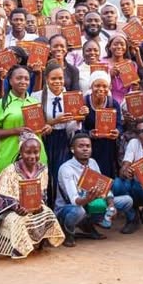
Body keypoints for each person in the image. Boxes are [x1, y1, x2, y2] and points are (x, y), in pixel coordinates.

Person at [0, 133, 66, 258]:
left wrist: (38, 206)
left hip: (32, 207)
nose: (32, 156)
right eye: (28, 152)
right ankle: (16, 248)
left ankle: (39, 242)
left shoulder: (43, 169)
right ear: (21, 152)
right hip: (9, 209)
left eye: (36, 152)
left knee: (48, 213)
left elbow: (42, 194)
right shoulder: (10, 170)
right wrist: (18, 207)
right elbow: (2, 197)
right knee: (18, 219)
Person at [55, 133, 136, 244]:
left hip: (91, 203)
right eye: (81, 146)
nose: (85, 149)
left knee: (127, 201)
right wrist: (88, 198)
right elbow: (74, 201)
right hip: (69, 207)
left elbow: (104, 188)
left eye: (88, 146)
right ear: (72, 149)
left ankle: (87, 224)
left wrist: (111, 205)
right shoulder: (66, 168)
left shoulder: (92, 163)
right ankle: (69, 232)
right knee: (78, 211)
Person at [32, 62, 86, 206]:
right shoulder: (37, 97)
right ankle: (45, 205)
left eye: (60, 78)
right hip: (44, 139)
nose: (57, 82)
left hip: (63, 140)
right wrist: (55, 122)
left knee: (60, 173)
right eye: (53, 79)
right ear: (46, 79)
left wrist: (79, 119)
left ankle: (60, 205)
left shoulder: (71, 97)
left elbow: (71, 128)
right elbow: (35, 125)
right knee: (44, 173)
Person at [0, 65, 49, 174]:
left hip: (36, 160)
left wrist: (47, 128)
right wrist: (15, 131)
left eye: (26, 79)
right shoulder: (2, 104)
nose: (23, 81)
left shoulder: (35, 102)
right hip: (9, 158)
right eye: (19, 78)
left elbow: (41, 127)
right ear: (10, 81)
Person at [82, 71, 122, 179]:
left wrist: (117, 132)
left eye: (104, 86)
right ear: (91, 86)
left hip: (107, 146)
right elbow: (78, 127)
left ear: (109, 87)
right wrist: (89, 133)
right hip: (89, 145)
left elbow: (119, 125)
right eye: (97, 85)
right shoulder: (84, 102)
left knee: (106, 175)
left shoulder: (113, 103)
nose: (101, 89)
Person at [104, 35, 139, 104]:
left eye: (122, 44)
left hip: (126, 101)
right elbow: (98, 84)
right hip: (108, 100)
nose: (119, 47)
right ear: (109, 47)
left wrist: (135, 87)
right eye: (115, 44)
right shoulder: (102, 63)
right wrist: (110, 76)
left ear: (126, 48)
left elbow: (132, 88)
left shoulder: (132, 64)